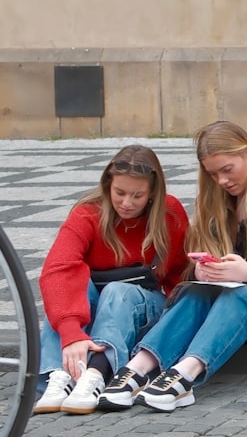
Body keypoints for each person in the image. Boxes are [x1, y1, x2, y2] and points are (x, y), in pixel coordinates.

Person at [98, 121, 247, 412]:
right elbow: (188, 266)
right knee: (196, 291)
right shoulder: (213, 198)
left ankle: (185, 374)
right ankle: (138, 368)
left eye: (227, 170)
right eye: (212, 173)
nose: (221, 181)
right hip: (231, 301)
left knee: (240, 296)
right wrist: (201, 271)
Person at [33, 146, 189, 416]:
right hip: (94, 307)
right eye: (120, 193)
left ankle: (96, 374)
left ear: (153, 193)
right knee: (68, 287)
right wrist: (70, 333)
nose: (127, 203)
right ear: (108, 185)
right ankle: (58, 376)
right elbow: (57, 268)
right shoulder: (87, 213)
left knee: (118, 291)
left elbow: (181, 275)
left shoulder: (169, 213)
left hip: (142, 307)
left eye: (137, 195)